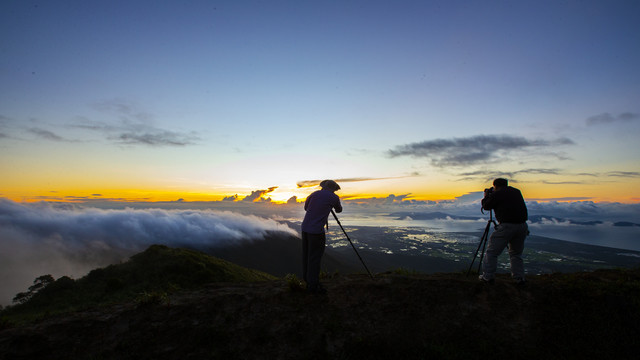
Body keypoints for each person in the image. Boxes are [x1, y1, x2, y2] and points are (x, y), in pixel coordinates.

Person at [479, 178, 529, 285]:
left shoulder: (498, 194)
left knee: (492, 252)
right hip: (522, 226)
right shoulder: (516, 192)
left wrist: (486, 196)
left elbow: (486, 206)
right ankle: (519, 278)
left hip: (507, 226)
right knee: (516, 254)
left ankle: (488, 277)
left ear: (495, 186)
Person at [301, 179, 342, 294]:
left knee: (306, 255)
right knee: (315, 258)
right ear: (333, 189)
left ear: (323, 187)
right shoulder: (333, 198)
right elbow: (339, 210)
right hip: (316, 232)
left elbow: (306, 208)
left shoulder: (313, 194)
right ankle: (313, 286)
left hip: (305, 228)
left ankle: (307, 280)